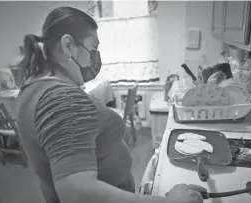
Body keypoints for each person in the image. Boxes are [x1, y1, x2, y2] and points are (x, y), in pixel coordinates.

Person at [16, 6, 206, 203]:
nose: (96, 58)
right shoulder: (63, 99)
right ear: (67, 45)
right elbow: (78, 193)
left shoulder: (32, 87)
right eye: (93, 48)